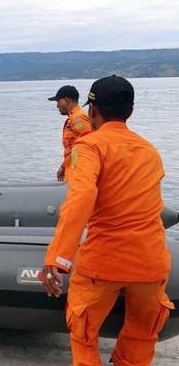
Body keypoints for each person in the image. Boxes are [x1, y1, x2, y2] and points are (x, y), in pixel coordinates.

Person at [42, 76, 174, 365]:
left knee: (83, 334)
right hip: (151, 262)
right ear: (131, 110)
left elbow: (81, 198)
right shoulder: (150, 151)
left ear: (93, 111)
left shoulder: (90, 147)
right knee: (142, 335)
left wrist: (58, 257)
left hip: (104, 261)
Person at [48, 85, 92, 182]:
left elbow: (87, 146)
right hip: (72, 172)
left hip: (79, 174)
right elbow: (72, 148)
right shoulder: (72, 119)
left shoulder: (78, 119)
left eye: (58, 101)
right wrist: (64, 166)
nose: (57, 106)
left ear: (66, 100)